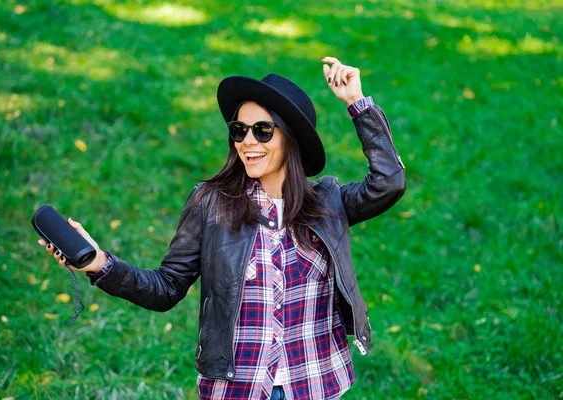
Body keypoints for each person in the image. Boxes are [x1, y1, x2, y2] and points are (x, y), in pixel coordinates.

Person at [38, 56, 406, 400]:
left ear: (290, 138)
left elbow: (388, 182)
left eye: (263, 130)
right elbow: (166, 289)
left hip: (314, 381)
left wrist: (357, 102)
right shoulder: (210, 205)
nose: (248, 141)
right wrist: (100, 264)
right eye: (239, 130)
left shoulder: (326, 204)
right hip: (238, 387)